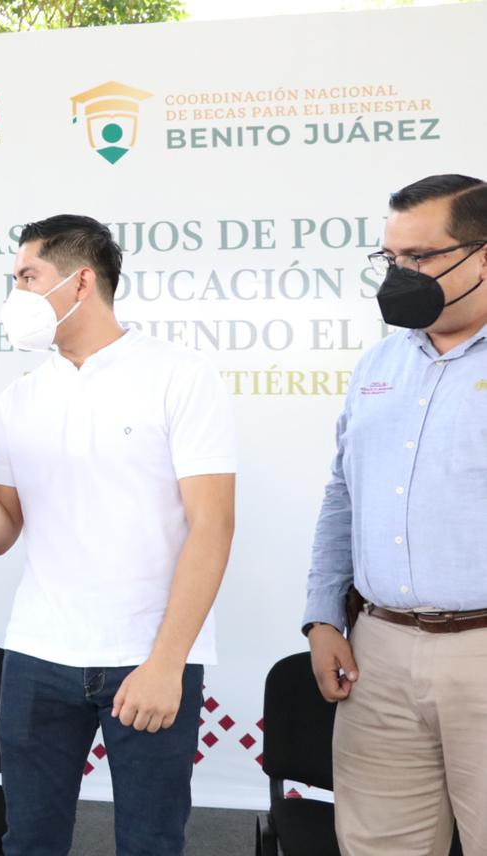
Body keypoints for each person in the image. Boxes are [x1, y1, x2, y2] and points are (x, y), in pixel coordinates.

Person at [0, 215, 237, 855]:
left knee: (150, 843)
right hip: (37, 656)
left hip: (147, 657)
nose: (16, 294)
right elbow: (0, 533)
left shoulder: (179, 374)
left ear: (81, 281)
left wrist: (167, 663)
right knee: (29, 841)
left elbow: (214, 525)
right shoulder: (21, 396)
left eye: (27, 277)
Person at [304, 174, 487, 855]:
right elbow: (343, 496)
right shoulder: (378, 364)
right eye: (390, 258)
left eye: (421, 256)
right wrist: (324, 617)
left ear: (483, 257)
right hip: (376, 654)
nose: (400, 275)